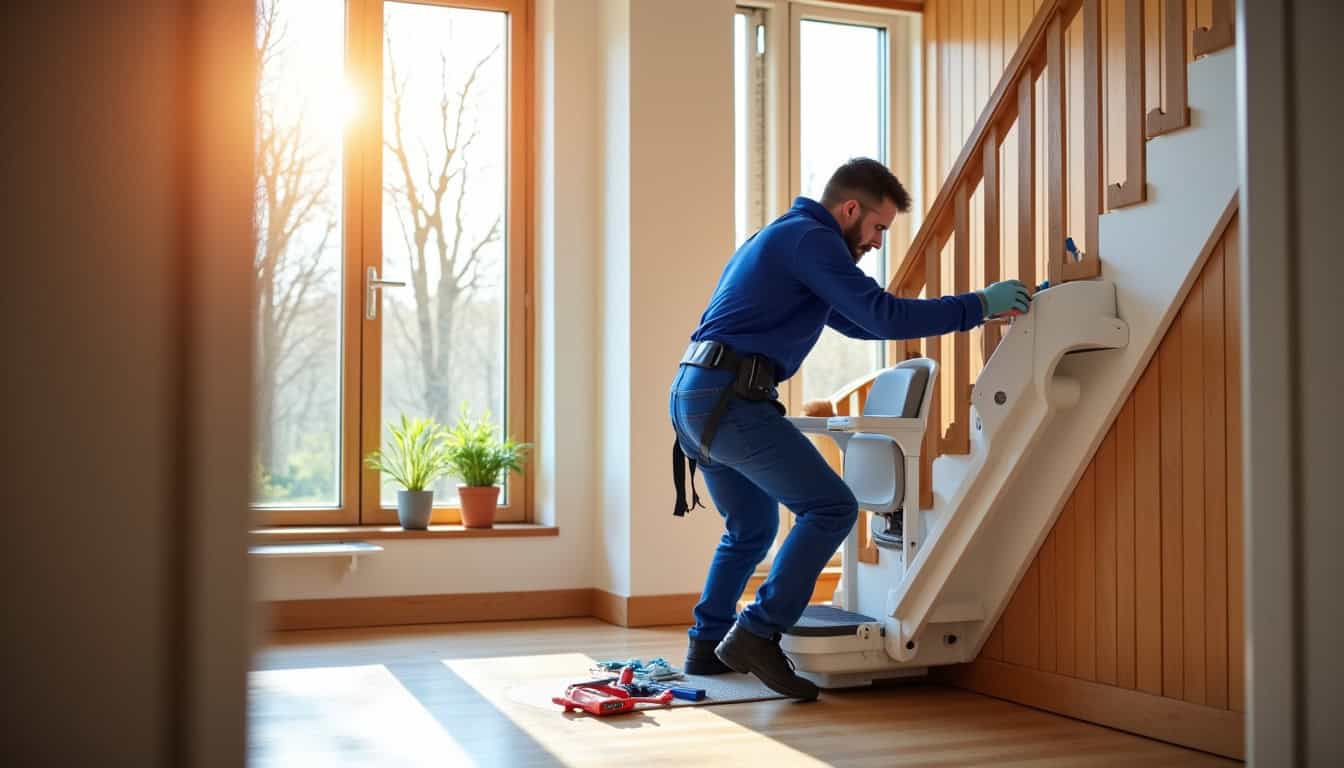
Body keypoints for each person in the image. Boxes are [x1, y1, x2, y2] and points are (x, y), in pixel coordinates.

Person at [668, 157, 1031, 700]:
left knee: (751, 528)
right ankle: (757, 633)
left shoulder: (784, 238)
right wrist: (978, 305)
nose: (878, 242)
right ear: (850, 209)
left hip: (698, 395)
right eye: (878, 227)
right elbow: (882, 314)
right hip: (729, 399)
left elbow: (862, 323)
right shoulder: (810, 240)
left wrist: (978, 312)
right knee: (832, 507)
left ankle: (707, 643)